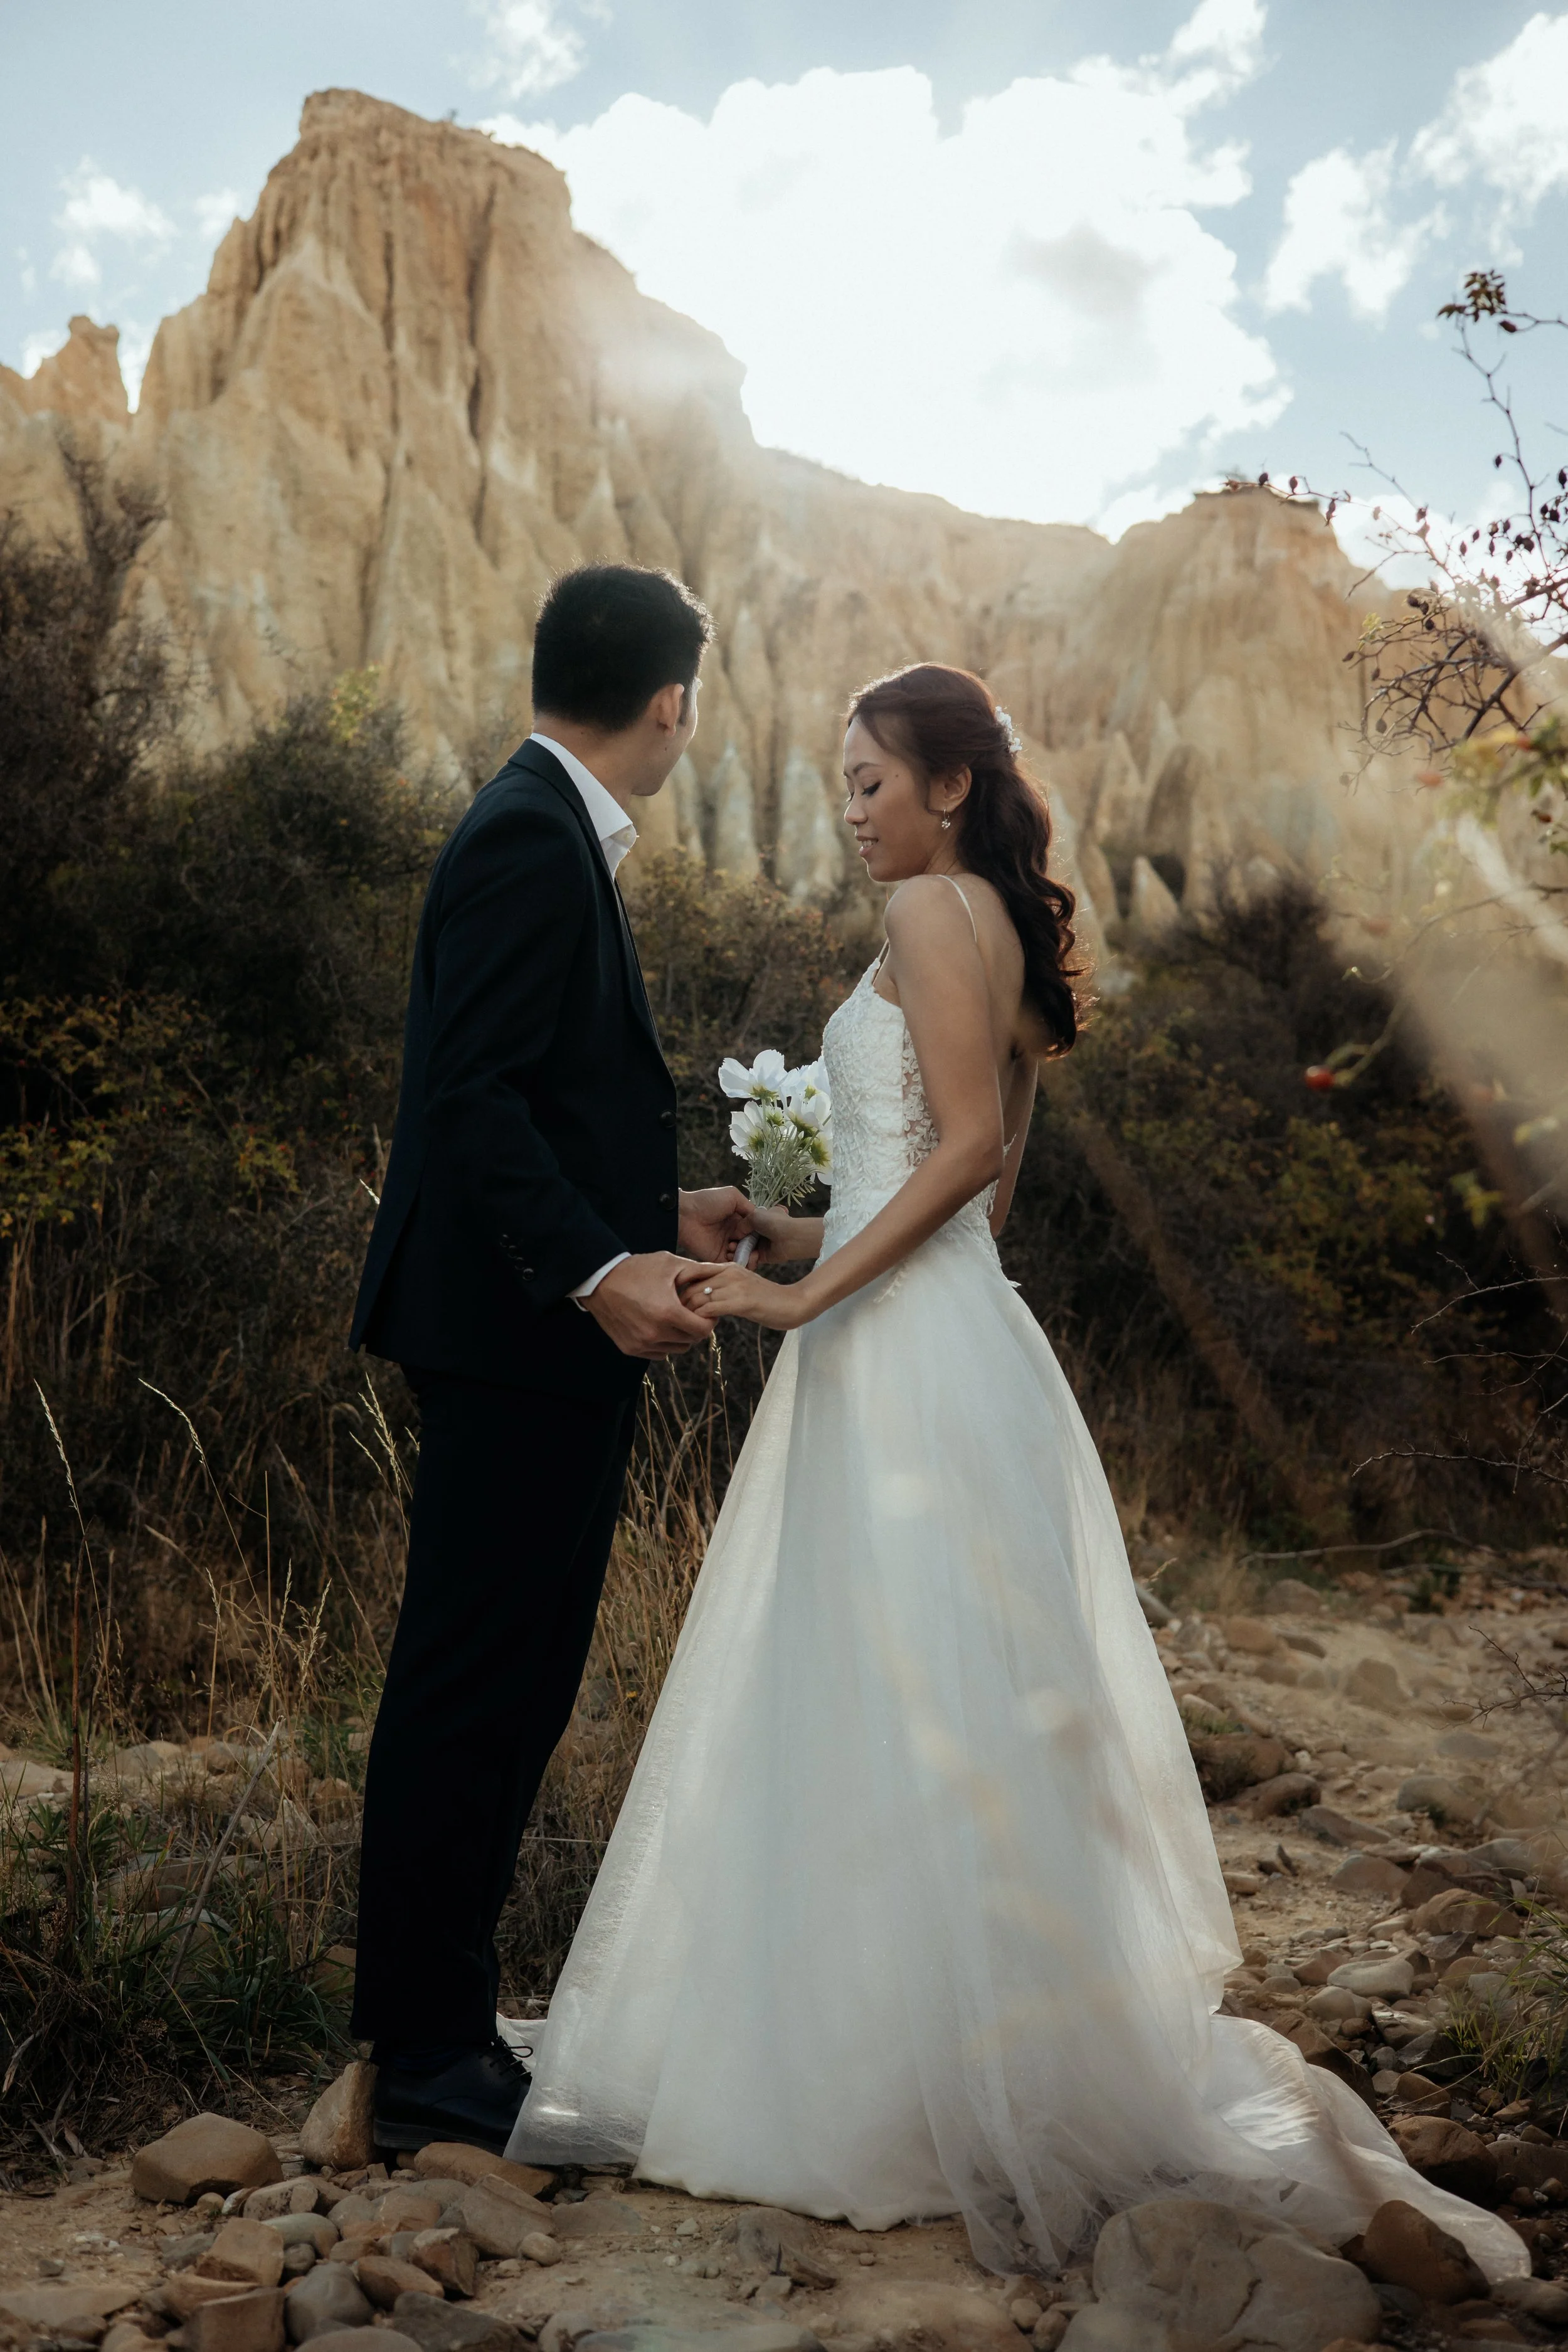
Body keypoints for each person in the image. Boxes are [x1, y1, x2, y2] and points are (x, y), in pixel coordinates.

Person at [507, 662, 1526, 2287]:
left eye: (866, 781)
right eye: (834, 784)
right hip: (950, 1346)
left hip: (900, 1359)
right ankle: (940, 2062)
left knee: (863, 1687)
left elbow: (966, 1155)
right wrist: (774, 1225)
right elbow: (959, 1200)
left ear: (949, 786)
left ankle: (871, 2087)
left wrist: (798, 1293)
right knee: (927, 1701)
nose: (850, 813)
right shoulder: (993, 928)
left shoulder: (926, 919)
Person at [348, 563, 756, 2156]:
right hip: (517, 1338)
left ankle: (442, 2029)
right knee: (471, 1687)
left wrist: (655, 1209)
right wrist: (598, 1272)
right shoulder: (530, 837)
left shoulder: (532, 819)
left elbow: (527, 1098)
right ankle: (424, 2055)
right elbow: (470, 1105)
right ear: (671, 705)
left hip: (527, 1329)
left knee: (502, 1686)